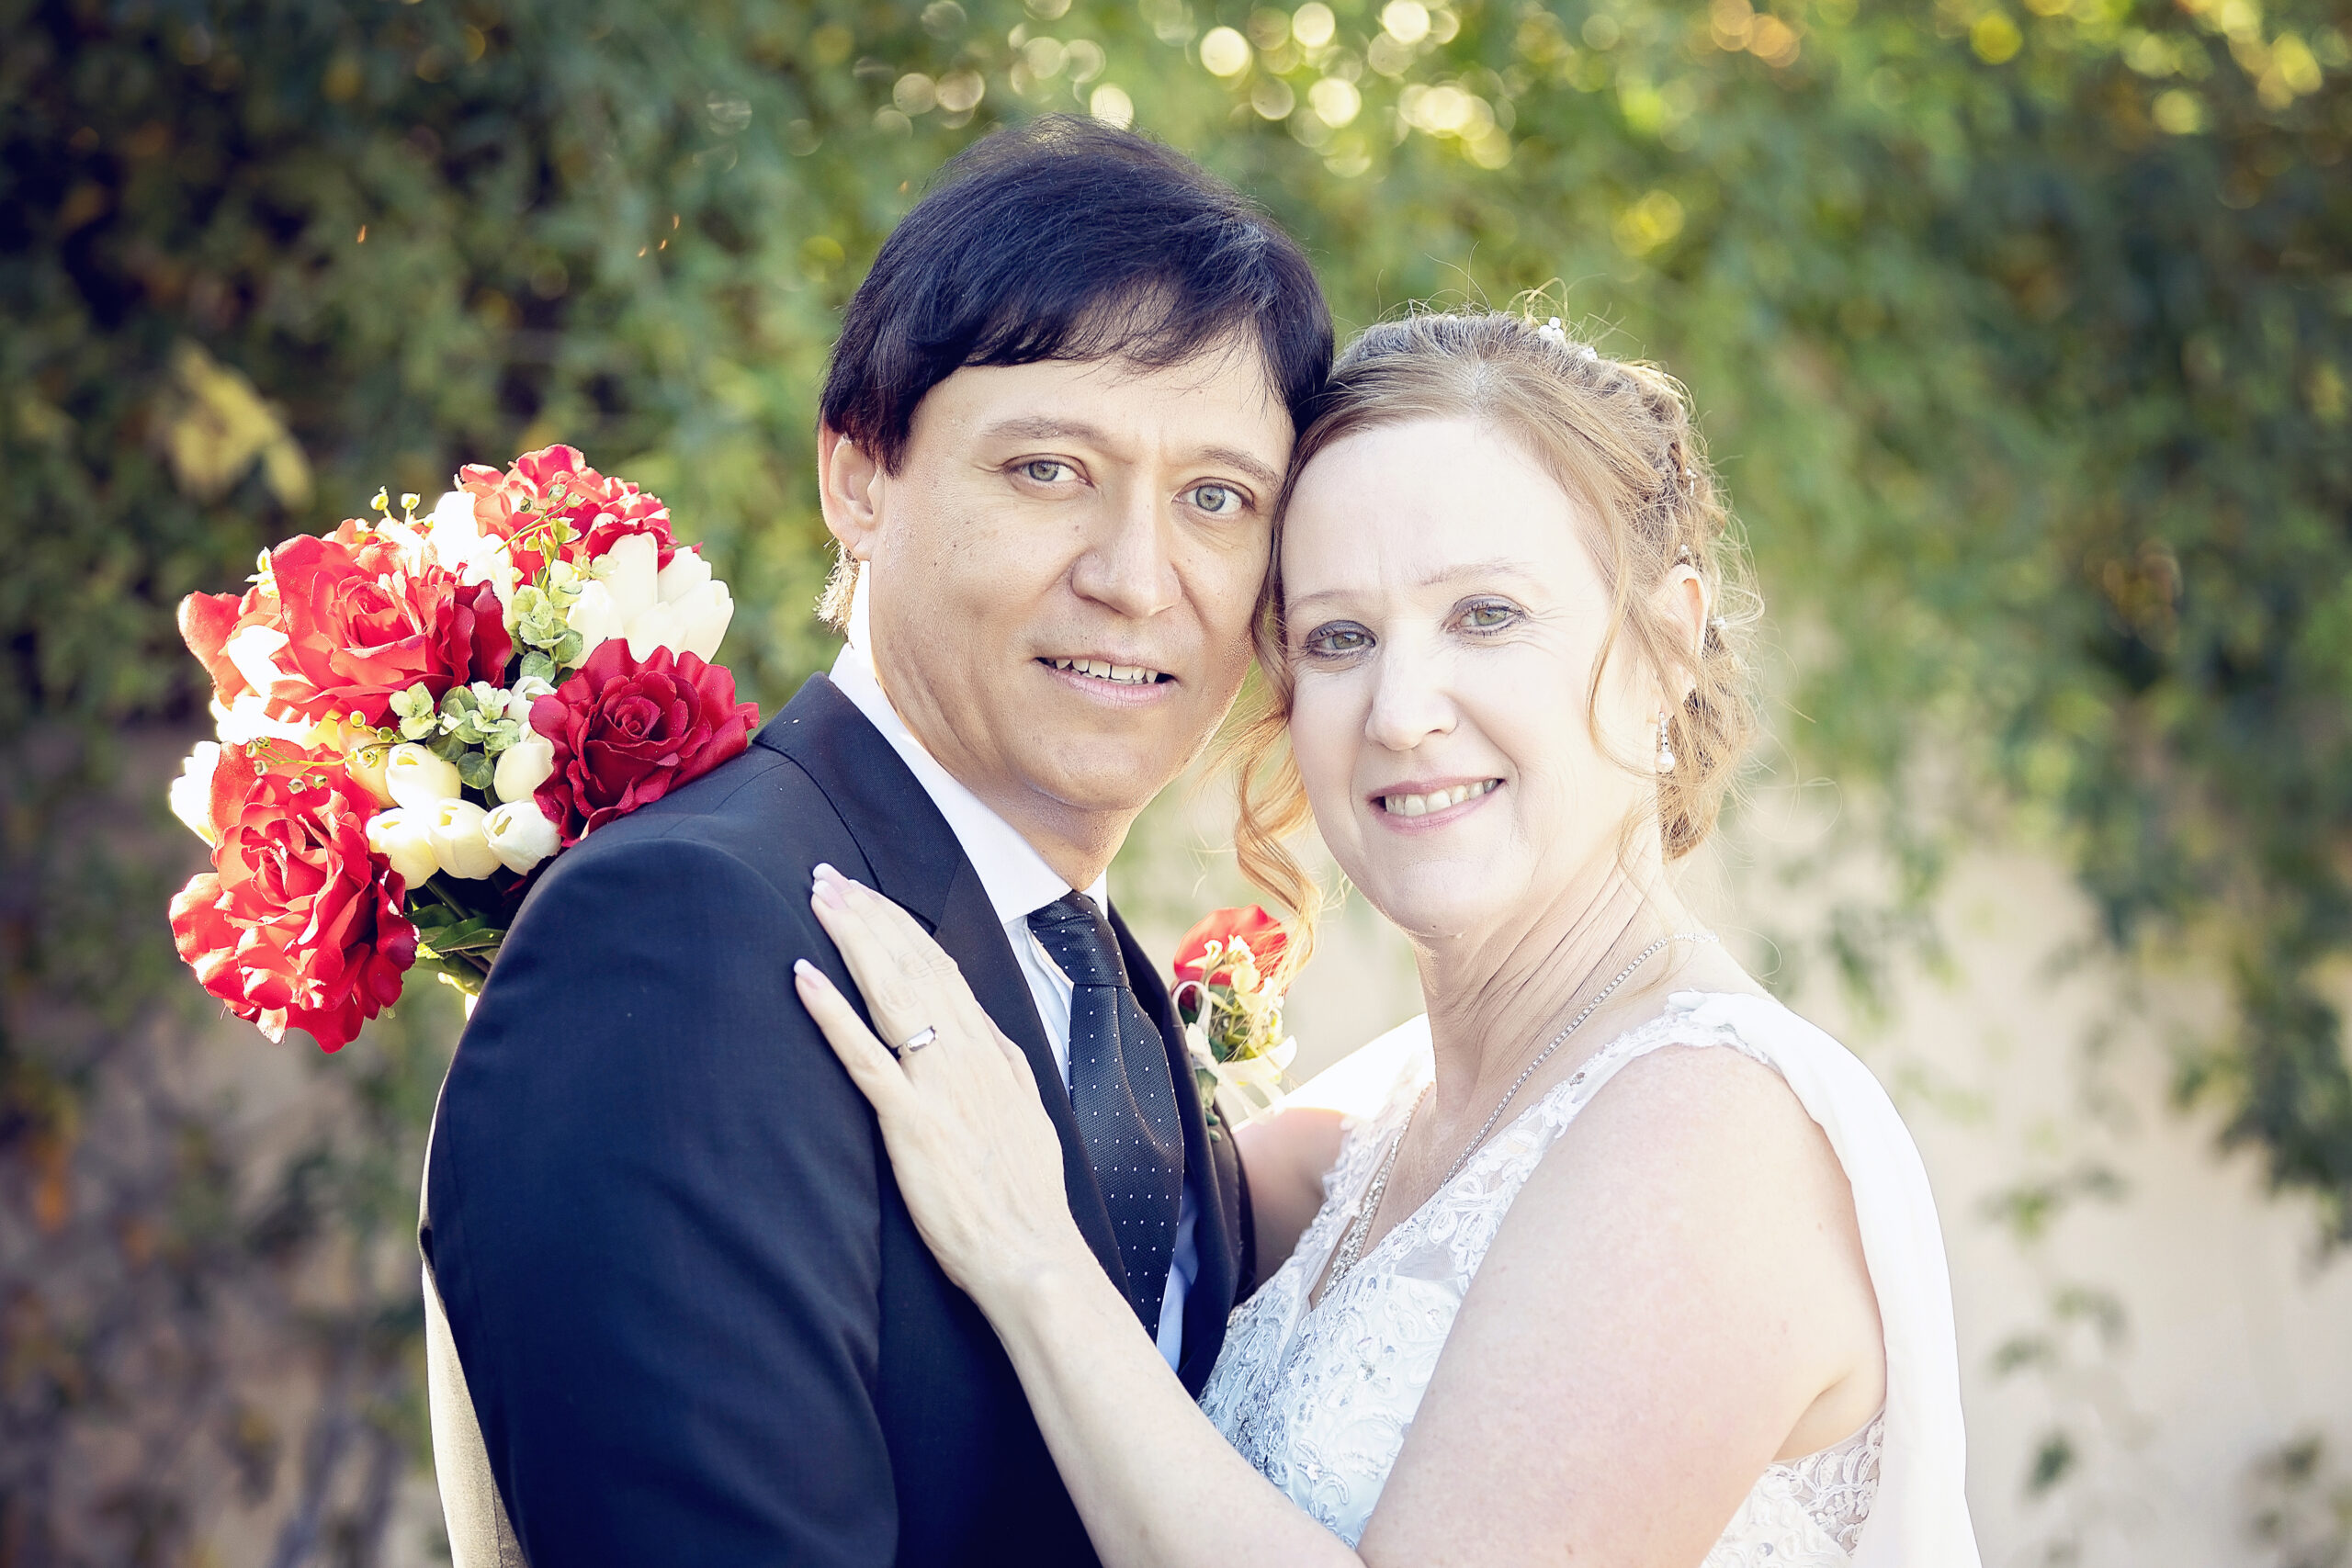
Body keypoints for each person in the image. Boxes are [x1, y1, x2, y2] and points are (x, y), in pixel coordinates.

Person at [795, 312, 1983, 1566]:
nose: (1403, 714)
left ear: (1667, 645)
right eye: (1341, 639)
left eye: (1485, 616)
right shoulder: (1359, 1123)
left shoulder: (1714, 1134)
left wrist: (1035, 1265)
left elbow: (1035, 1234)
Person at [418, 117, 1331, 1566]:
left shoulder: (1116, 999)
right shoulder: (687, 939)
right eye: (1048, 470)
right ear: (859, 476)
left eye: (1217, 500)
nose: (1135, 577)